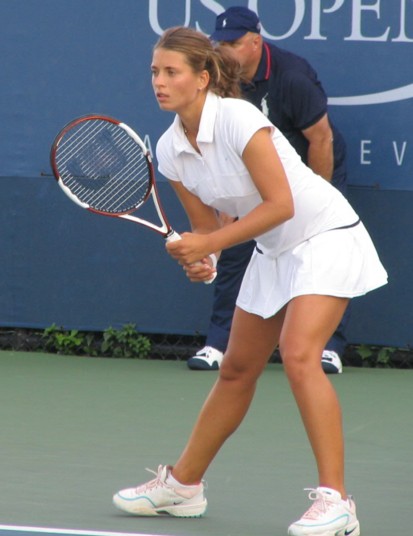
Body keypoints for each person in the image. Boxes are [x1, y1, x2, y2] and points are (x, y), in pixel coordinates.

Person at [112, 26, 387, 536]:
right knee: (237, 368)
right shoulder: (171, 149)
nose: (160, 82)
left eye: (172, 72)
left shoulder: (239, 118)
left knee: (300, 354)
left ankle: (338, 502)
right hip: (273, 249)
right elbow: (209, 230)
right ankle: (183, 486)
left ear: (203, 77)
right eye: (155, 71)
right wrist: (201, 258)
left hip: (323, 234)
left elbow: (280, 204)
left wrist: (210, 245)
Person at [188, 6, 349, 374]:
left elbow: (320, 138)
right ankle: (218, 343)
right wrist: (229, 205)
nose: (223, 49)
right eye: (219, 42)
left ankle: (328, 347)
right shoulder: (217, 80)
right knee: (235, 247)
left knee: (321, 253)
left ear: (256, 42)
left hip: (310, 166)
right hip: (256, 172)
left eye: (233, 42)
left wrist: (316, 203)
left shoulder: (291, 77)